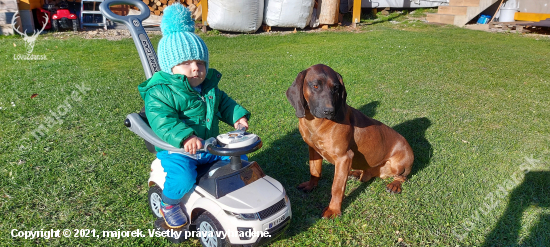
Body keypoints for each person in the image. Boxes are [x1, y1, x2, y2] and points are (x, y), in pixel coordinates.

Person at [137, 3, 250, 228]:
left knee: (240, 161)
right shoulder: (159, 92)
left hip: (208, 145)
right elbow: (163, 121)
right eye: (186, 63)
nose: (195, 68)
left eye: (200, 63)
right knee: (183, 179)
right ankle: (169, 204)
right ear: (170, 67)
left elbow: (224, 104)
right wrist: (185, 137)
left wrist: (237, 116)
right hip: (178, 149)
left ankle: (227, 194)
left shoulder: (208, 88)